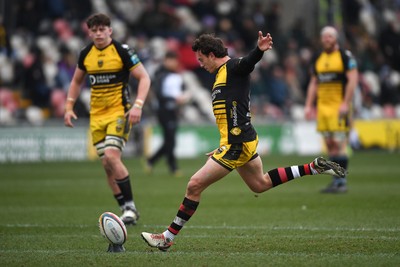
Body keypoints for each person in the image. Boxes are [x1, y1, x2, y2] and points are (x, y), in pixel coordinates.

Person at [141, 32, 346, 251]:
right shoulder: (221, 75)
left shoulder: (233, 67)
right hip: (237, 141)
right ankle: (313, 167)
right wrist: (223, 146)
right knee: (260, 184)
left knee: (194, 185)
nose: (200, 65)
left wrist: (258, 50)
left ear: (211, 55)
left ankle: (167, 237)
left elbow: (248, 63)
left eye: (201, 60)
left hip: (238, 144)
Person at [64, 13, 151, 225]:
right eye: (94, 30)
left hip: (118, 113)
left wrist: (138, 105)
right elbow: (76, 81)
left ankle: (130, 207)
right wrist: (69, 107)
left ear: (110, 30)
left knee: (112, 157)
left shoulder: (122, 51)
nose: (98, 33)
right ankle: (124, 208)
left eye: (102, 29)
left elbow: (144, 78)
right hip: (97, 117)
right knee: (106, 164)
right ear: (89, 32)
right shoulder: (86, 54)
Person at [304, 26, 358, 194]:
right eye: (324, 37)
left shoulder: (345, 56)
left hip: (339, 108)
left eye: (330, 36)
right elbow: (314, 83)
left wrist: (345, 103)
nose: (327, 39)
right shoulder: (318, 58)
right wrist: (308, 105)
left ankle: (341, 181)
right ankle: (336, 180)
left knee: (339, 143)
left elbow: (352, 80)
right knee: (329, 145)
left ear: (335, 39)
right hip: (323, 109)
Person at [145, 51, 187, 176]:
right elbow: (159, 94)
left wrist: (182, 96)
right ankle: (172, 167)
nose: (175, 63)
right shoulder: (160, 74)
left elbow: (181, 88)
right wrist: (174, 99)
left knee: (170, 140)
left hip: (173, 110)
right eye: (172, 60)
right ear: (166, 60)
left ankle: (151, 160)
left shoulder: (175, 74)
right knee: (170, 140)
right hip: (164, 111)